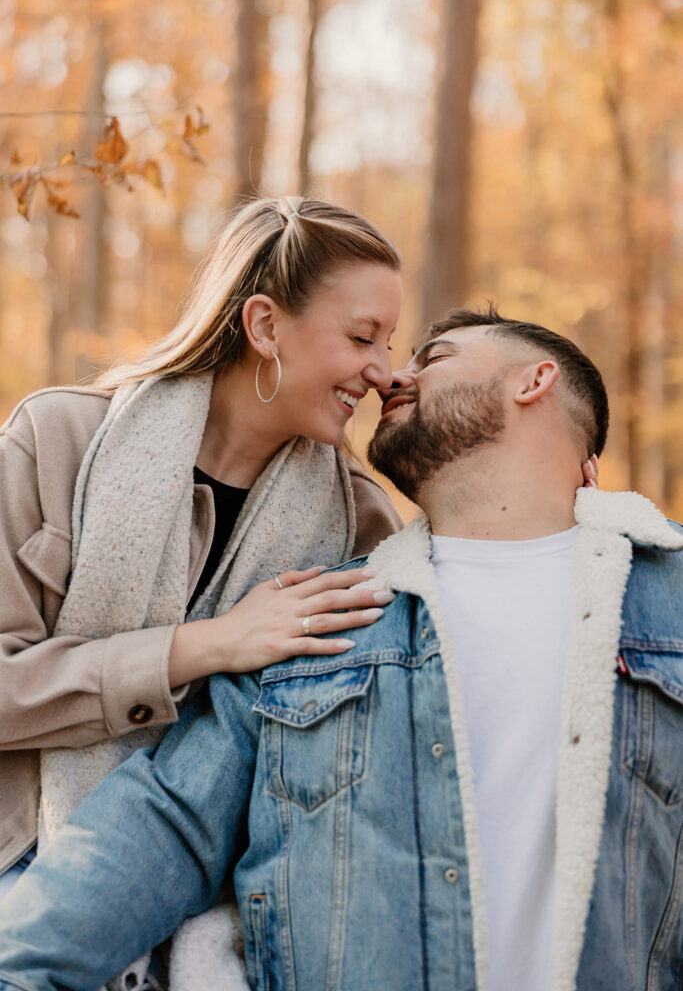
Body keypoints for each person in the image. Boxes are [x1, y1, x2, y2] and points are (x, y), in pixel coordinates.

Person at [0, 307, 677, 991]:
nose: (390, 376)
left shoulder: (669, 604)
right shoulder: (313, 618)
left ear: (533, 382)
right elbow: (163, 829)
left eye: (431, 356)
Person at [0, 196, 404, 985]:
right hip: (22, 871)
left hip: (217, 928)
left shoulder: (359, 522)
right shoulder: (55, 444)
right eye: (362, 337)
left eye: (389, 343)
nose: (383, 371)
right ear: (263, 327)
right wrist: (204, 648)